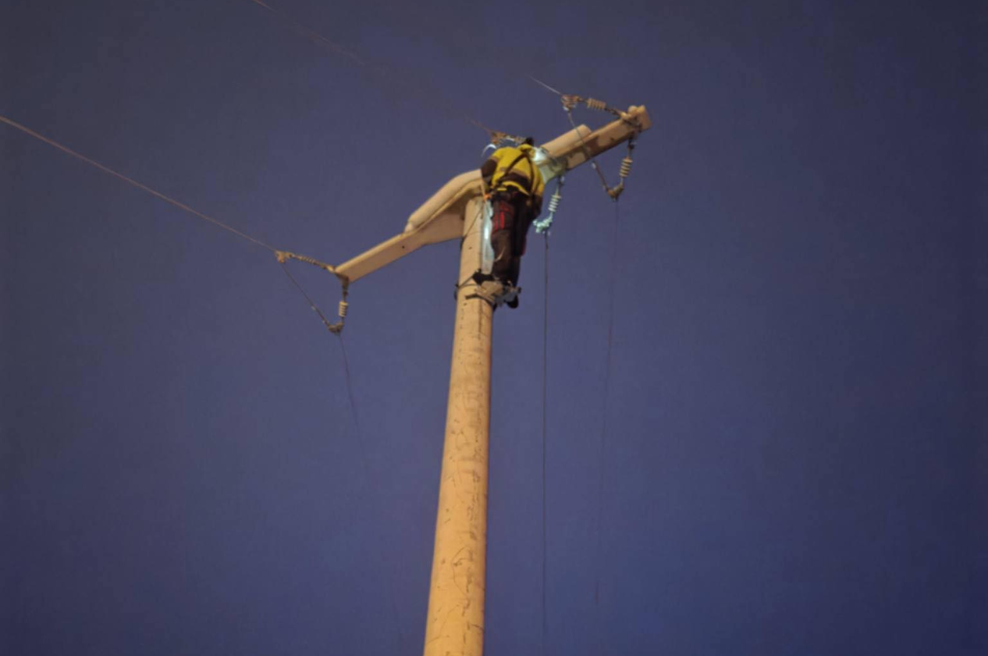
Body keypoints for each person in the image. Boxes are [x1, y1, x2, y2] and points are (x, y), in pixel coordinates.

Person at [478, 137, 545, 308]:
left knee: (502, 232)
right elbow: (537, 202)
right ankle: (509, 283)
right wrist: (526, 218)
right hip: (525, 207)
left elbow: (486, 171)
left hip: (504, 194)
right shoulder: (536, 171)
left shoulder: (505, 151)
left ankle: (498, 278)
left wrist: (485, 191)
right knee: (516, 246)